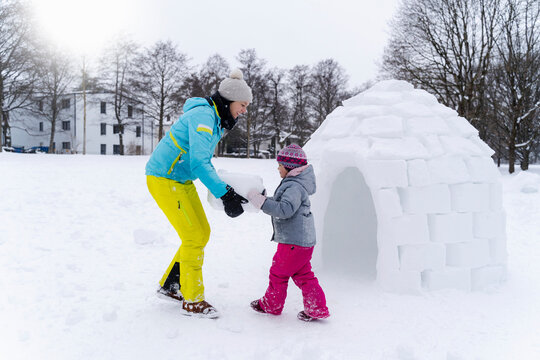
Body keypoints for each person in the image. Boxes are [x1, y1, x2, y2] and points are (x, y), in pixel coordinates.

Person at [145, 69, 251, 319]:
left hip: (180, 180)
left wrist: (227, 190)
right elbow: (200, 164)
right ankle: (192, 300)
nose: (244, 110)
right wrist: (226, 195)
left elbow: (200, 163)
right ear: (229, 100)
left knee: (201, 232)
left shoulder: (214, 117)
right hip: (164, 178)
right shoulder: (204, 117)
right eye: (243, 105)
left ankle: (172, 285)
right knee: (193, 236)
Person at [247, 144, 330, 322]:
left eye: (280, 165)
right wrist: (265, 199)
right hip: (303, 241)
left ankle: (272, 305)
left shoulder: (293, 186)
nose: (278, 168)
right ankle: (317, 308)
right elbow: (282, 203)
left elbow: (285, 209)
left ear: (289, 167)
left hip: (293, 242)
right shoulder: (296, 184)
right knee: (304, 275)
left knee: (278, 272)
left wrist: (262, 203)